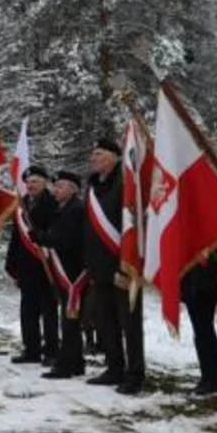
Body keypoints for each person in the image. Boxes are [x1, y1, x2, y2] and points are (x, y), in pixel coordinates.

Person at [83, 138, 145, 395]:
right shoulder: (93, 188)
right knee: (105, 321)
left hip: (123, 266)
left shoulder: (125, 185)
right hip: (99, 267)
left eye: (98, 153)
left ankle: (135, 373)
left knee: (129, 323)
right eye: (93, 154)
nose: (93, 158)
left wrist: (127, 265)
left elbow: (130, 227)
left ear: (114, 157)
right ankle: (114, 367)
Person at [5, 166, 60, 364]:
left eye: (35, 181)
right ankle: (31, 349)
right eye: (28, 183)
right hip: (26, 266)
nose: (30, 186)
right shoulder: (22, 205)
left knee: (48, 311)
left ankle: (52, 350)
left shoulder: (53, 202)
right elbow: (16, 238)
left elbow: (56, 233)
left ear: (45, 182)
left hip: (45, 265)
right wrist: (12, 265)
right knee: (28, 311)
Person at [37, 170, 87, 379]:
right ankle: (74, 361)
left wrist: (43, 238)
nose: (55, 190)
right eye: (55, 186)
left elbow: (66, 240)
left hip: (73, 272)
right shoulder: (63, 209)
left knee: (70, 319)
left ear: (73, 189)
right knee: (68, 318)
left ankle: (66, 363)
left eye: (60, 186)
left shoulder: (75, 209)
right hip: (66, 270)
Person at [181, 255, 217, 395]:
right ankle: (206, 377)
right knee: (200, 333)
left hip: (205, 286)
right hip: (192, 284)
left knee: (205, 332)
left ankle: (211, 379)